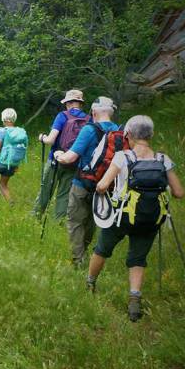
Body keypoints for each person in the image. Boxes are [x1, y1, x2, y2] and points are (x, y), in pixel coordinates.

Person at [86, 115, 184, 322]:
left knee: (102, 249)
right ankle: (134, 302)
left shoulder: (122, 157)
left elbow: (102, 186)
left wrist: (104, 190)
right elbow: (179, 192)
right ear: (151, 135)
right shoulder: (163, 160)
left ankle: (90, 284)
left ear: (128, 135)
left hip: (121, 217)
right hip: (150, 218)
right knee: (138, 259)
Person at [53, 96, 119, 267]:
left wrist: (58, 155)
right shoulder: (118, 131)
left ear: (94, 112)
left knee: (75, 221)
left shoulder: (89, 130)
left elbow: (70, 157)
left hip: (83, 183)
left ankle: (79, 260)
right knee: (91, 220)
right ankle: (86, 251)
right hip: (106, 185)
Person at [33, 90, 89, 220]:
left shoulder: (62, 116)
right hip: (74, 162)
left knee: (46, 190)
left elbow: (50, 140)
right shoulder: (88, 119)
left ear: (68, 103)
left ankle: (36, 217)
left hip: (55, 160)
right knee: (64, 194)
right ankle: (59, 221)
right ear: (80, 104)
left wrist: (42, 138)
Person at [0, 108, 27, 202]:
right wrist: (16, 165)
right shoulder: (19, 132)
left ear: (4, 119)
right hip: (12, 164)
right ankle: (11, 202)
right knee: (3, 185)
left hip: (0, 163)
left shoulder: (1, 131)